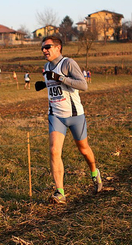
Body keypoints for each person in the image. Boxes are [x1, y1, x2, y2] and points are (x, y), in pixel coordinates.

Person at [35, 35, 103, 204]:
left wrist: (62, 78)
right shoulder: (46, 66)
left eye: (47, 47)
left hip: (75, 115)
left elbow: (83, 85)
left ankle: (94, 172)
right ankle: (60, 192)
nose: (44, 50)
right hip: (56, 115)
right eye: (42, 48)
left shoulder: (68, 63)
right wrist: (43, 84)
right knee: (53, 151)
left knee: (84, 149)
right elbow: (54, 84)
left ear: (58, 47)